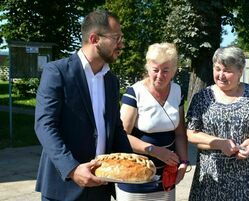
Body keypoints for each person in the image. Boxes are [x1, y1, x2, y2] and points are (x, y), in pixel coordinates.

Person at [34, 10, 132, 201]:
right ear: (94, 38)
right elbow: (45, 125)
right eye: (116, 38)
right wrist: (72, 169)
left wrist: (133, 163)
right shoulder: (57, 72)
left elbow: (116, 128)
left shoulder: (111, 80)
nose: (121, 44)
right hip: (64, 188)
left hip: (101, 186)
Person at [186, 46, 249, 201]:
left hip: (247, 181)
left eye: (227, 70)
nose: (221, 75)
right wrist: (220, 144)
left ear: (240, 71)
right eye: (217, 69)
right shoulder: (202, 97)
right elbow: (191, 133)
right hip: (210, 180)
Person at [115, 42, 189, 200]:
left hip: (167, 176)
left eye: (166, 71)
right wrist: (155, 150)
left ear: (174, 71)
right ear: (148, 68)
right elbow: (122, 134)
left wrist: (183, 162)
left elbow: (180, 134)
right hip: (135, 174)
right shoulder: (134, 92)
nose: (160, 75)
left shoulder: (178, 91)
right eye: (155, 70)